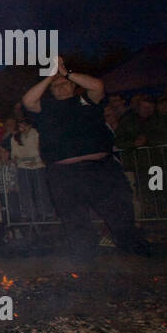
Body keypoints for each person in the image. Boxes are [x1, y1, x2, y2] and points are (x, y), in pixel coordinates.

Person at [21, 55, 149, 257]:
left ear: (73, 87)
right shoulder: (46, 108)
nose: (61, 87)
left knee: (119, 212)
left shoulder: (86, 101)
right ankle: (83, 259)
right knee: (73, 217)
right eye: (57, 86)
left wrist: (67, 73)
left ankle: (137, 253)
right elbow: (28, 100)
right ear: (51, 91)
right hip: (63, 173)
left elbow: (98, 85)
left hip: (100, 168)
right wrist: (50, 77)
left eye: (65, 85)